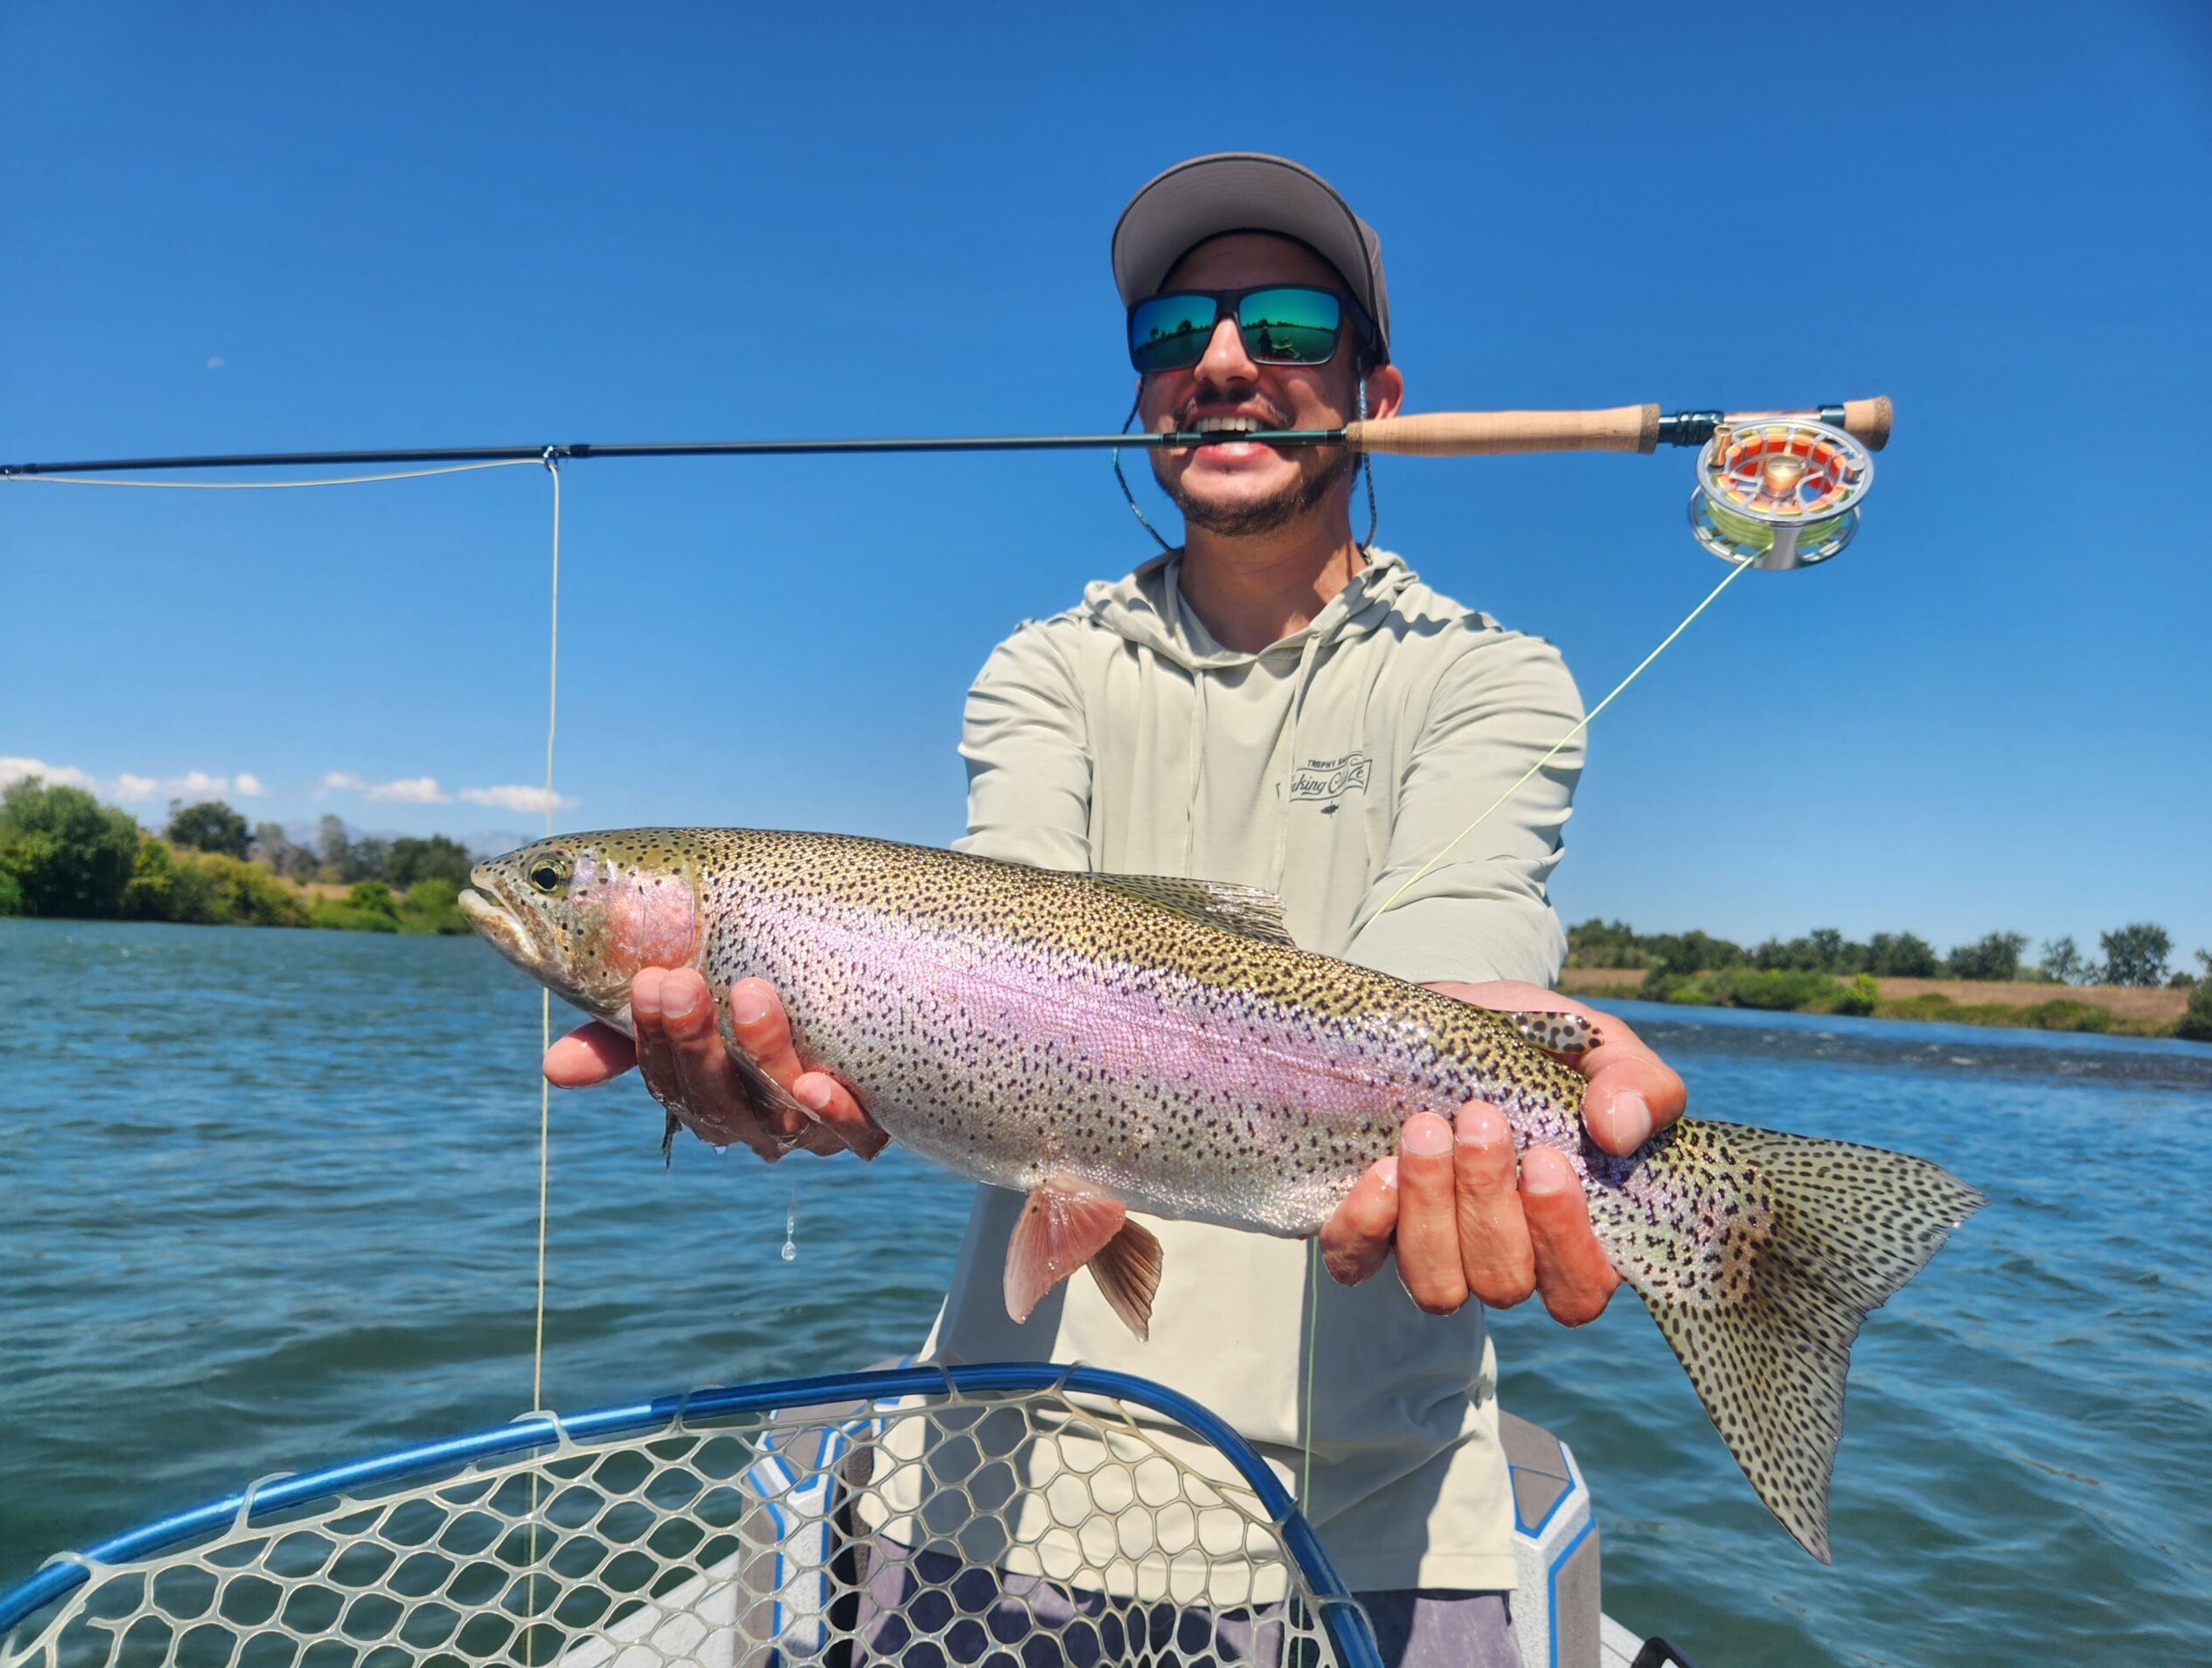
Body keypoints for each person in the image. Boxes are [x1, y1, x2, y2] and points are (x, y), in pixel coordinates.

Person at [545, 152, 1687, 1666]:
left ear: (1378, 387)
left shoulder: (1489, 674)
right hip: (995, 1507)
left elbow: (1457, 941)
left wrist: (1477, 1077)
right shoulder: (1046, 669)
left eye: (1283, 326)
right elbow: (995, 950)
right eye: (1173, 333)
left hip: (1391, 1527)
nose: (1222, 363)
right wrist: (793, 1082)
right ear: (1145, 393)